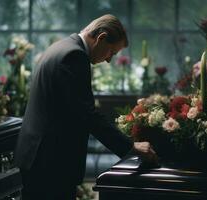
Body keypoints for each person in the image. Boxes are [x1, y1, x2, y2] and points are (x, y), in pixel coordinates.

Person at [14, 14, 157, 199]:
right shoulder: (74, 56)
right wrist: (131, 147)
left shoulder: (61, 47)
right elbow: (87, 115)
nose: (108, 60)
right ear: (101, 38)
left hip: (39, 157)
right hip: (50, 162)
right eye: (111, 53)